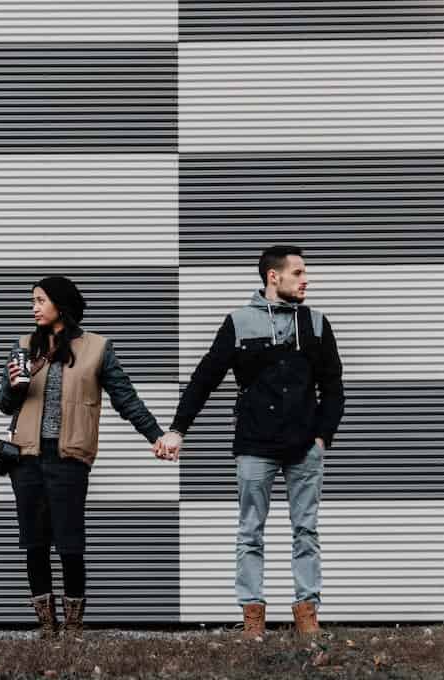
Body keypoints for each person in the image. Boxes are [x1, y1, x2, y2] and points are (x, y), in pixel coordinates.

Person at [157, 246, 344, 639]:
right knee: (250, 531)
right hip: (254, 445)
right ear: (273, 278)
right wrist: (177, 429)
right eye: (297, 273)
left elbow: (333, 388)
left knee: (305, 530)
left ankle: (307, 613)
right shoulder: (239, 322)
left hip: (303, 448)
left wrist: (322, 438)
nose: (305, 279)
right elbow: (204, 378)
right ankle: (252, 616)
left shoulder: (316, 323)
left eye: (304, 272)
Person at [0, 276, 170, 639]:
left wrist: (156, 435)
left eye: (40, 300)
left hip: (69, 460)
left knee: (70, 543)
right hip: (26, 460)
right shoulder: (24, 346)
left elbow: (126, 399)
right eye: (33, 301)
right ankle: (47, 626)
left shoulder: (97, 348)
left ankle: (73, 627)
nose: (33, 307)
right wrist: (15, 386)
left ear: (61, 305)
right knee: (34, 543)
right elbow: (4, 404)